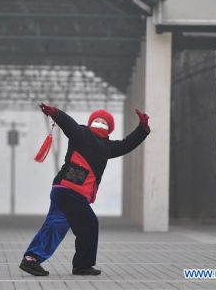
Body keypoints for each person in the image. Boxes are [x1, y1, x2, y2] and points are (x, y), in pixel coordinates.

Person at [19, 104, 150, 276]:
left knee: (56, 224)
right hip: (69, 190)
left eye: (104, 121)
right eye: (96, 120)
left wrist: (142, 129)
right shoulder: (82, 134)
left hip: (65, 191)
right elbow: (69, 124)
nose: (100, 122)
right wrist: (56, 113)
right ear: (90, 123)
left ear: (109, 128)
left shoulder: (108, 147)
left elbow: (126, 145)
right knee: (89, 223)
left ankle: (31, 259)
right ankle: (81, 265)